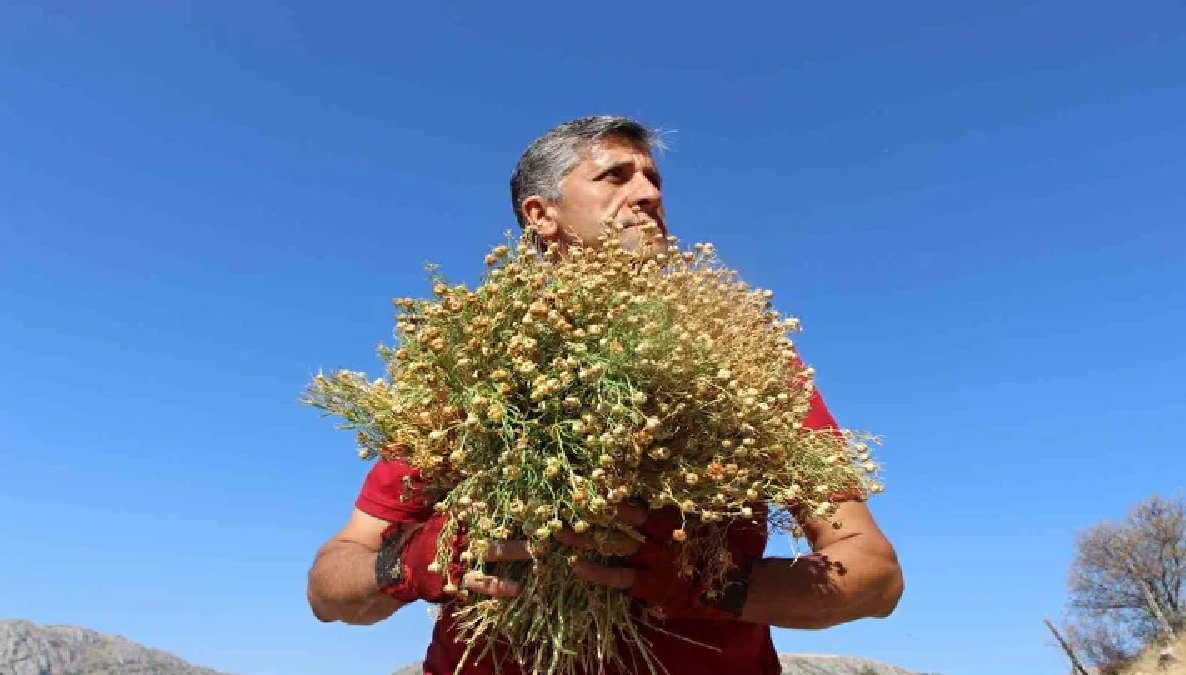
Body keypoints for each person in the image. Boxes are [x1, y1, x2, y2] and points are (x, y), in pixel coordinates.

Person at [306, 116, 904, 674]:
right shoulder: (469, 366)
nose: (649, 194)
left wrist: (710, 584)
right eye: (616, 176)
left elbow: (874, 575)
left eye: (653, 179)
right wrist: (416, 562)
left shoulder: (747, 359)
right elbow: (330, 587)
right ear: (541, 215)